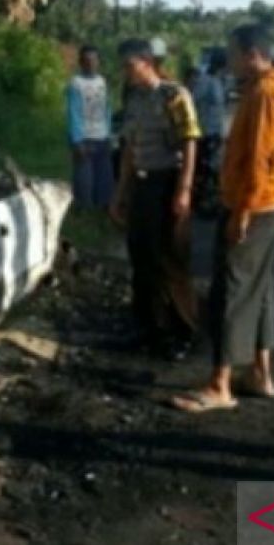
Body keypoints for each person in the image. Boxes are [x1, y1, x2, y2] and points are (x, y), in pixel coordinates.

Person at [173, 25, 274, 412]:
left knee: (229, 290)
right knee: (260, 287)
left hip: (255, 204)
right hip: (269, 202)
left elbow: (261, 159)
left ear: (251, 54)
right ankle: (260, 373)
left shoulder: (265, 93)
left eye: (231, 54)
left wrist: (242, 211)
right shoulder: (271, 87)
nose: (227, 62)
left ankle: (220, 385)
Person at [110, 39, 201, 359]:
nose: (125, 72)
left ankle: (183, 332)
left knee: (171, 260)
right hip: (142, 184)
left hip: (169, 182)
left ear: (147, 63)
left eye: (130, 65)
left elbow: (190, 142)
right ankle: (149, 328)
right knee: (142, 258)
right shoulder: (133, 98)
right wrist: (120, 194)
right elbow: (128, 150)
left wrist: (185, 190)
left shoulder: (174, 95)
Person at [67, 45, 115, 210]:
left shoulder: (102, 82)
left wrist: (109, 134)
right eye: (87, 61)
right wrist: (76, 140)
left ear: (99, 62)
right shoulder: (76, 83)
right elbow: (73, 112)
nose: (91, 64)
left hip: (102, 136)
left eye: (94, 60)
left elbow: (107, 109)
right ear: (81, 62)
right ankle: (84, 211)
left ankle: (101, 209)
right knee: (84, 179)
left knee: (103, 177)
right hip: (84, 138)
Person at [189, 57, 227, 205]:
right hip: (205, 130)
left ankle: (207, 195)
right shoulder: (205, 81)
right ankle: (197, 196)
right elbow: (193, 100)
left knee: (211, 164)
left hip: (214, 130)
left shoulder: (219, 81)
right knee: (204, 165)